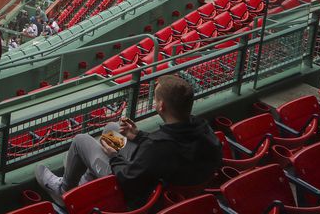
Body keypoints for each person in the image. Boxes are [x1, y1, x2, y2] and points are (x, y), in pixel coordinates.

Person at [34, 74, 223, 206]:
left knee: (81, 140)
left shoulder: (159, 147)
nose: (154, 102)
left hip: (133, 187)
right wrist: (138, 136)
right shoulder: (203, 129)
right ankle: (88, 177)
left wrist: (114, 157)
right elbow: (170, 144)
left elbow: (129, 178)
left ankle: (64, 189)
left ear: (161, 106)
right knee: (111, 129)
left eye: (156, 99)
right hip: (158, 174)